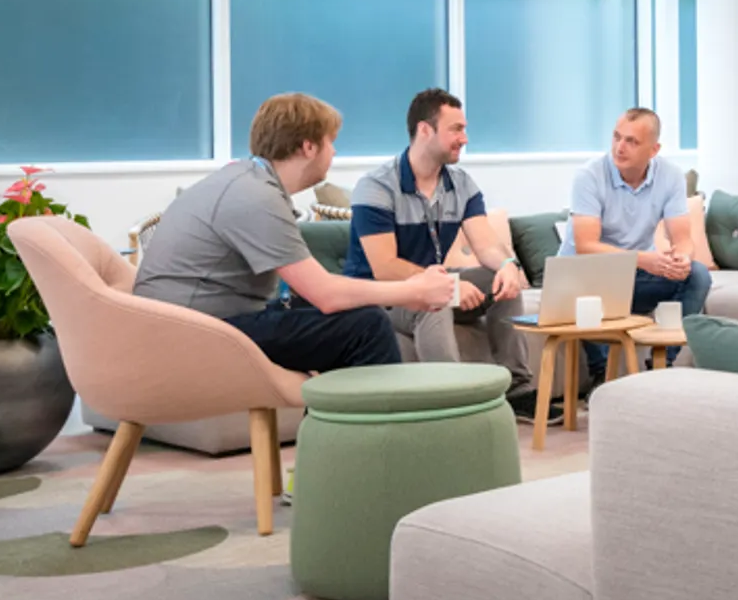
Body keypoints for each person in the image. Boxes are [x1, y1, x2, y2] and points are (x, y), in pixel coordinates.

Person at [133, 92, 454, 373]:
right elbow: (325, 295)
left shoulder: (247, 182)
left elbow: (312, 290)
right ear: (309, 146)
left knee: (353, 314)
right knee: (366, 326)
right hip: (195, 331)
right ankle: (379, 439)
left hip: (198, 320)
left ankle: (333, 435)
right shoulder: (255, 198)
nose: (335, 153)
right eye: (332, 142)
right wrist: (414, 291)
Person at [346, 89, 536, 413]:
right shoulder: (377, 186)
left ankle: (518, 390)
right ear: (425, 130)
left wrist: (507, 264)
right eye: (456, 129)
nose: (464, 138)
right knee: (433, 301)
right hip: (382, 295)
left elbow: (485, 244)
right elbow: (385, 267)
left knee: (501, 279)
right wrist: (450, 286)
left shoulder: (461, 184)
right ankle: (452, 400)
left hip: (433, 281)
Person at [568, 107, 710, 387]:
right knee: (582, 290)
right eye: (617, 137)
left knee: (697, 275)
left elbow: (683, 238)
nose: (620, 147)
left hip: (635, 279)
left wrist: (681, 257)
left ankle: (660, 367)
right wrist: (645, 260)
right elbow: (585, 246)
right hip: (587, 279)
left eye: (631, 141)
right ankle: (602, 374)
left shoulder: (670, 176)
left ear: (654, 149)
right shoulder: (589, 176)